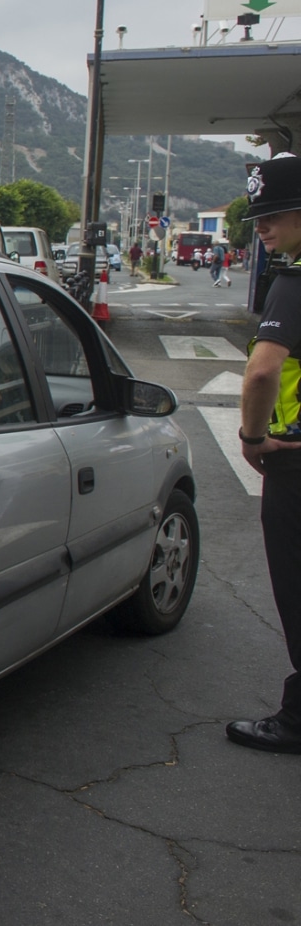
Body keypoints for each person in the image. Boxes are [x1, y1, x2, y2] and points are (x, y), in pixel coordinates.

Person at [230, 155, 301, 754]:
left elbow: (261, 373)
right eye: (257, 217)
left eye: (273, 215)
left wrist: (253, 440)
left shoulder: (294, 283)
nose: (262, 227)